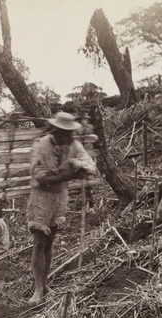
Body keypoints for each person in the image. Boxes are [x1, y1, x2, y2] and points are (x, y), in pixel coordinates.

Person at [26, 111, 96, 304]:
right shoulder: (41, 146)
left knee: (49, 241)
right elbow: (41, 177)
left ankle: (46, 283)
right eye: (62, 133)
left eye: (68, 134)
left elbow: (90, 166)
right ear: (55, 131)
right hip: (41, 197)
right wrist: (70, 175)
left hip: (59, 197)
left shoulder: (73, 145)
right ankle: (38, 288)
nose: (65, 137)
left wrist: (76, 164)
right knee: (39, 241)